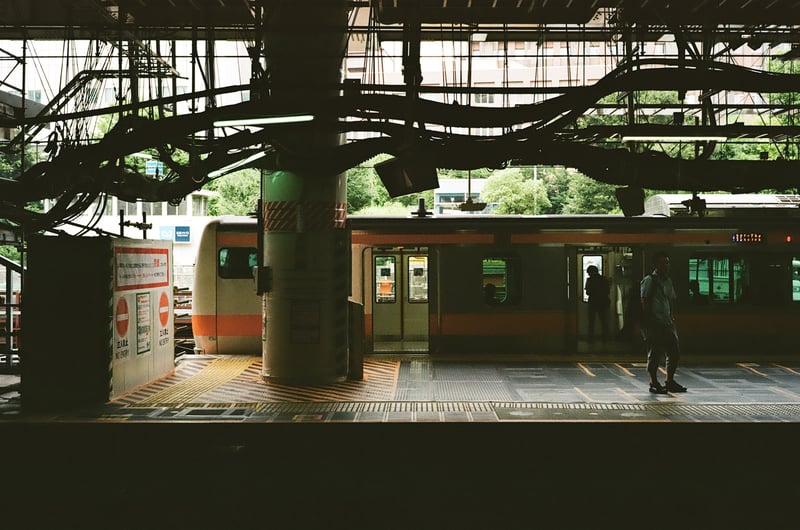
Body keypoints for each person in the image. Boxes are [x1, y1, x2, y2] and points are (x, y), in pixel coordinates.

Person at [640, 251, 686, 394]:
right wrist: (649, 320)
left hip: (667, 322)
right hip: (655, 323)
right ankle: (653, 382)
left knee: (674, 353)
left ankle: (669, 380)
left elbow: (670, 299)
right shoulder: (649, 280)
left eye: (667, 262)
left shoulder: (668, 280)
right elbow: (644, 300)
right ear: (655, 264)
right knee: (655, 353)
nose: (666, 265)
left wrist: (671, 315)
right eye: (662, 262)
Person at [584, 265, 610, 342]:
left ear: (591, 272)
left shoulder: (589, 280)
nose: (588, 274)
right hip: (603, 302)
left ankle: (591, 338)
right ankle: (605, 338)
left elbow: (588, 292)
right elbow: (607, 291)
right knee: (603, 321)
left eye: (588, 272)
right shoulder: (604, 279)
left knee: (591, 321)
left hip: (593, 302)